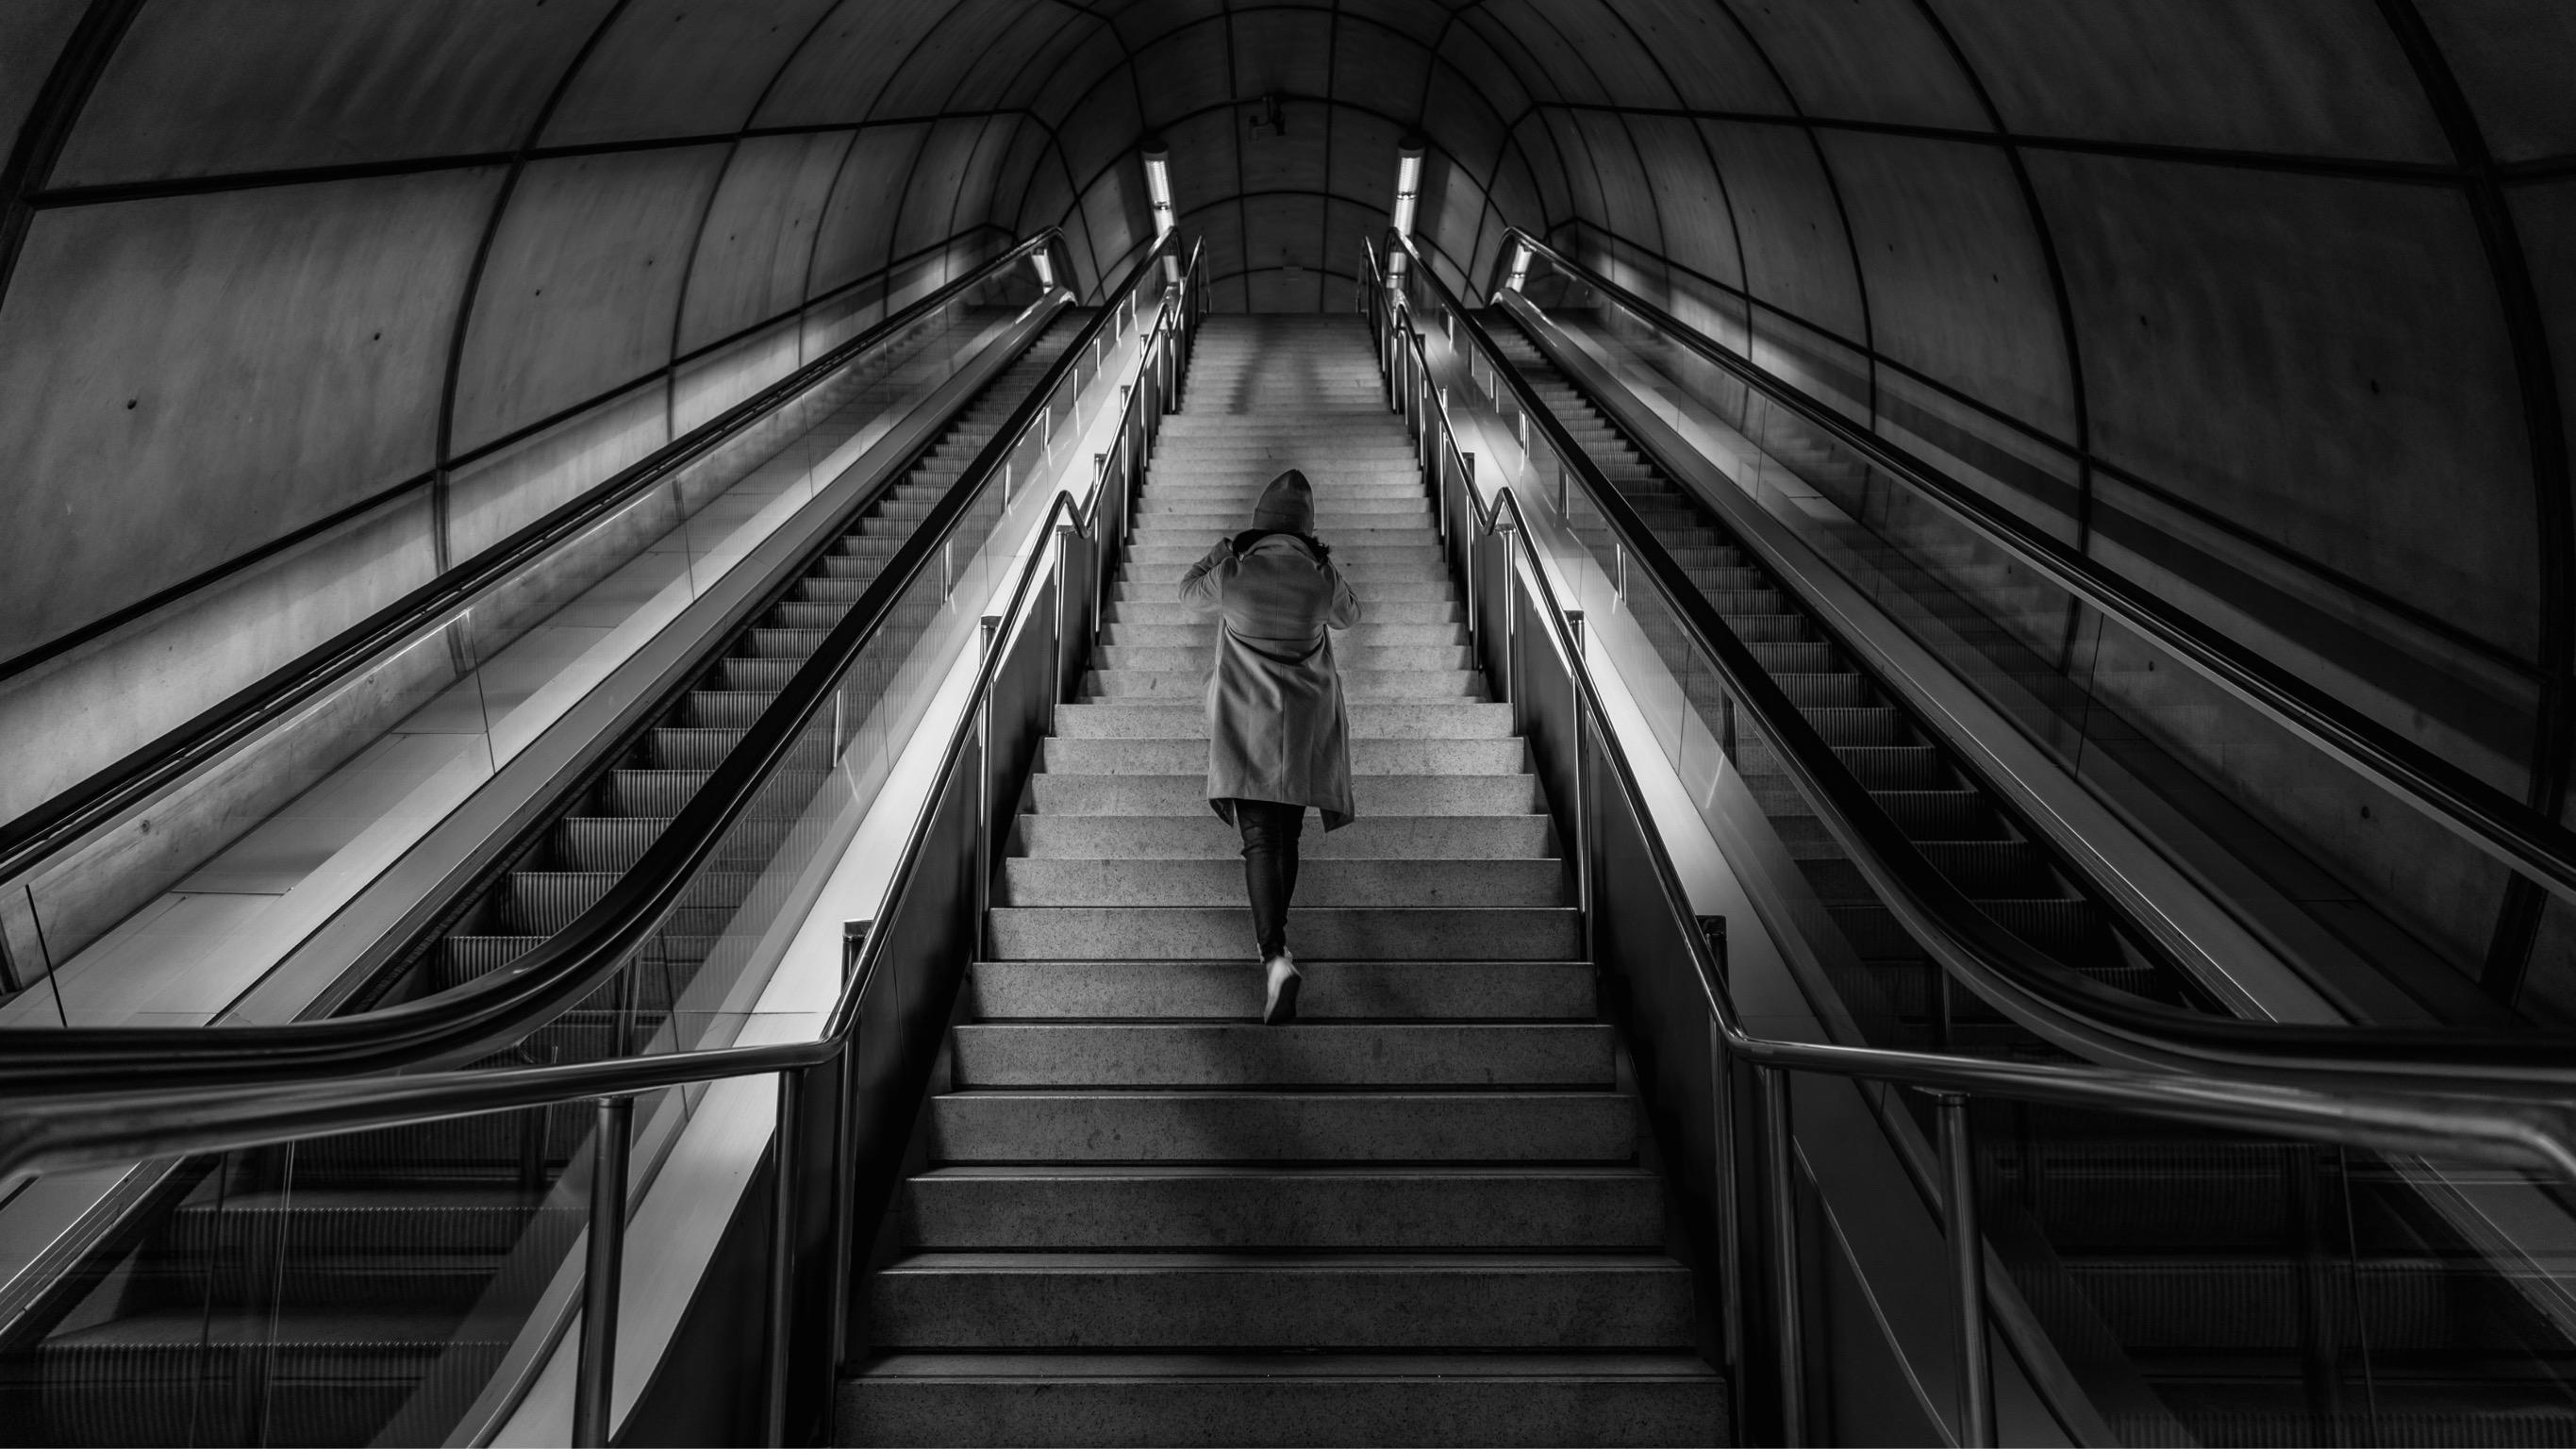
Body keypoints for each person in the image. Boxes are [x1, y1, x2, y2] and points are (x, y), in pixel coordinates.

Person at [1177, 468, 1362, 1024]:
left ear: (1257, 527)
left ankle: (1275, 955)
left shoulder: (1234, 573)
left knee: (1259, 840)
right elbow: (1353, 615)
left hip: (1247, 727)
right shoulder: (1319, 577)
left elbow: (1187, 593)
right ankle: (1279, 951)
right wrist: (1324, 564)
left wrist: (1223, 550)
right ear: (1307, 529)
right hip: (1304, 728)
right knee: (1287, 834)